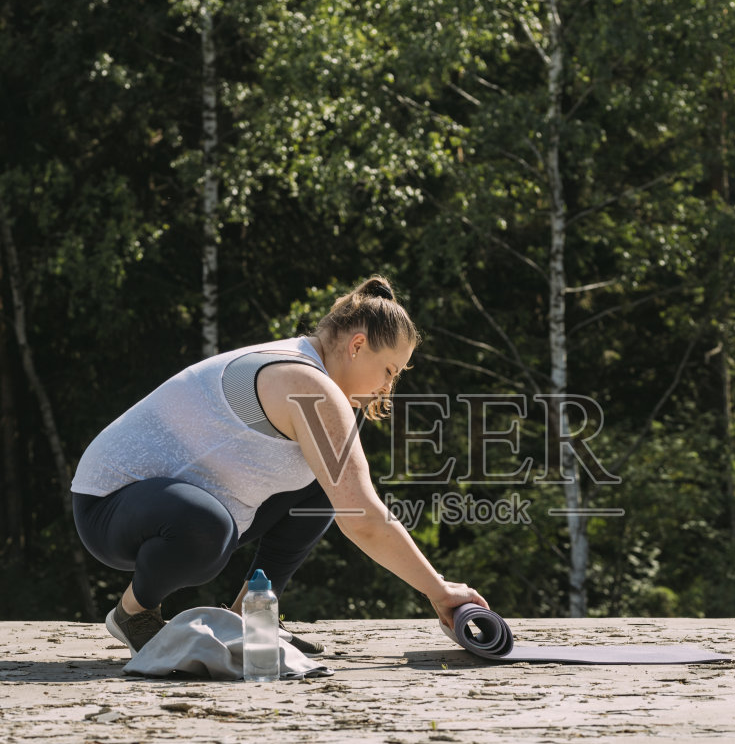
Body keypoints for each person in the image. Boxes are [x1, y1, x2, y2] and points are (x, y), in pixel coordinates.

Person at [70, 276, 489, 654]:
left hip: (185, 507)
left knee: (327, 487)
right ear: (357, 345)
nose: (387, 388)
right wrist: (441, 591)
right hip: (109, 505)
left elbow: (348, 502)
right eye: (389, 371)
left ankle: (251, 618)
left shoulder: (321, 384)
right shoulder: (306, 383)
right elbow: (362, 518)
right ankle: (133, 613)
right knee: (208, 526)